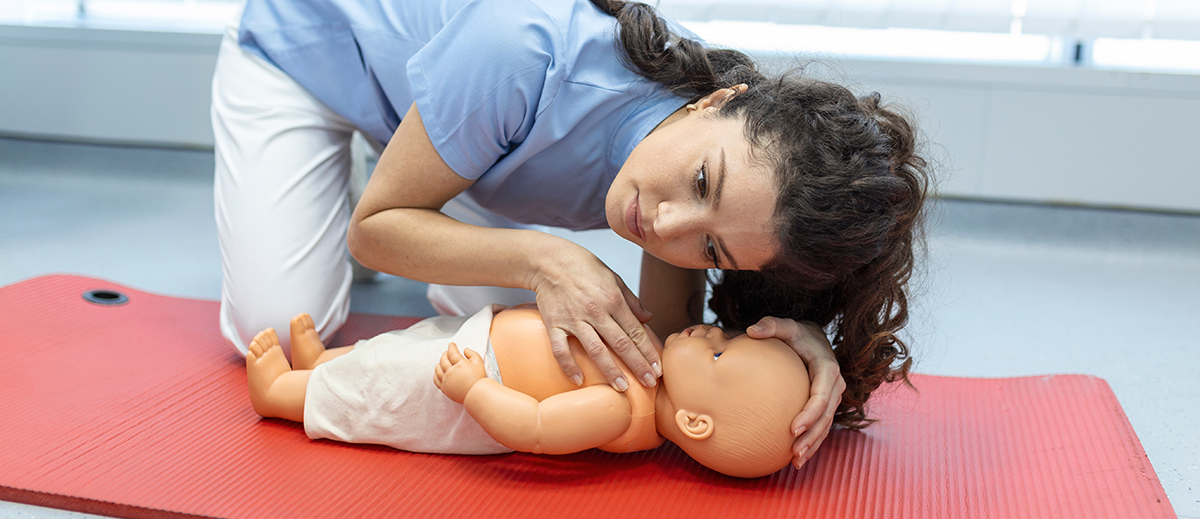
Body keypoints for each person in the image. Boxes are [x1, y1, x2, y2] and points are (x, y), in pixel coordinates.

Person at [212, 0, 929, 468]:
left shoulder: (717, 181)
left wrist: (796, 343)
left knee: (538, 339)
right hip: (306, 52)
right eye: (703, 181)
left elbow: (670, 339)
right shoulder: (526, 51)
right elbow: (372, 233)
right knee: (268, 323)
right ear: (714, 102)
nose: (667, 226)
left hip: (479, 142)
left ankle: (423, 159)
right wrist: (544, 256)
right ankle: (404, 162)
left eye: (712, 250)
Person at [244, 305, 810, 478]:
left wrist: (475, 390)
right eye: (728, 335)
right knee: (391, 349)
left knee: (382, 387)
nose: (713, 331)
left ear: (694, 422)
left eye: (718, 352)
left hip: (474, 378)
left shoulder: (619, 408)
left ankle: (282, 393)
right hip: (480, 335)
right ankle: (322, 363)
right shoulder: (654, 366)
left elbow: (536, 428)